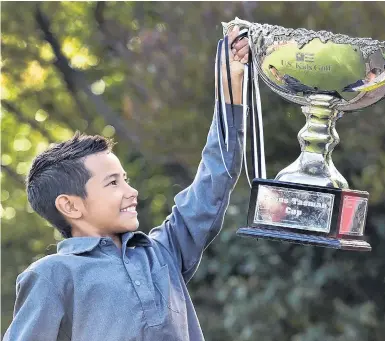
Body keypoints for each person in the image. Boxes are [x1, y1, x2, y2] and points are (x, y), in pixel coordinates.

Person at [3, 27, 251, 341]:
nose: (130, 191)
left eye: (126, 179)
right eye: (112, 183)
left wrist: (231, 86)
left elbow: (216, 177)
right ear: (70, 205)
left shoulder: (164, 253)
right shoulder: (52, 275)